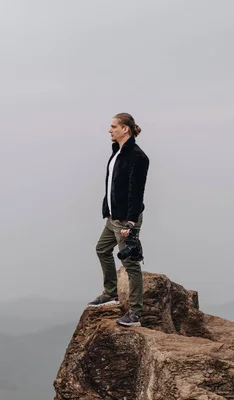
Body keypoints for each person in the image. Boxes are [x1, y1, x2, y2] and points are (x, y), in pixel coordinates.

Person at [87, 112, 150, 327]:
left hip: (126, 220)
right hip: (113, 217)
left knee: (130, 264)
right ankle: (111, 293)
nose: (110, 129)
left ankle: (135, 313)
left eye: (114, 126)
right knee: (102, 249)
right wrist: (107, 210)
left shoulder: (138, 157)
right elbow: (112, 186)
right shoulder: (117, 152)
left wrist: (131, 223)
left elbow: (136, 192)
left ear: (126, 129)